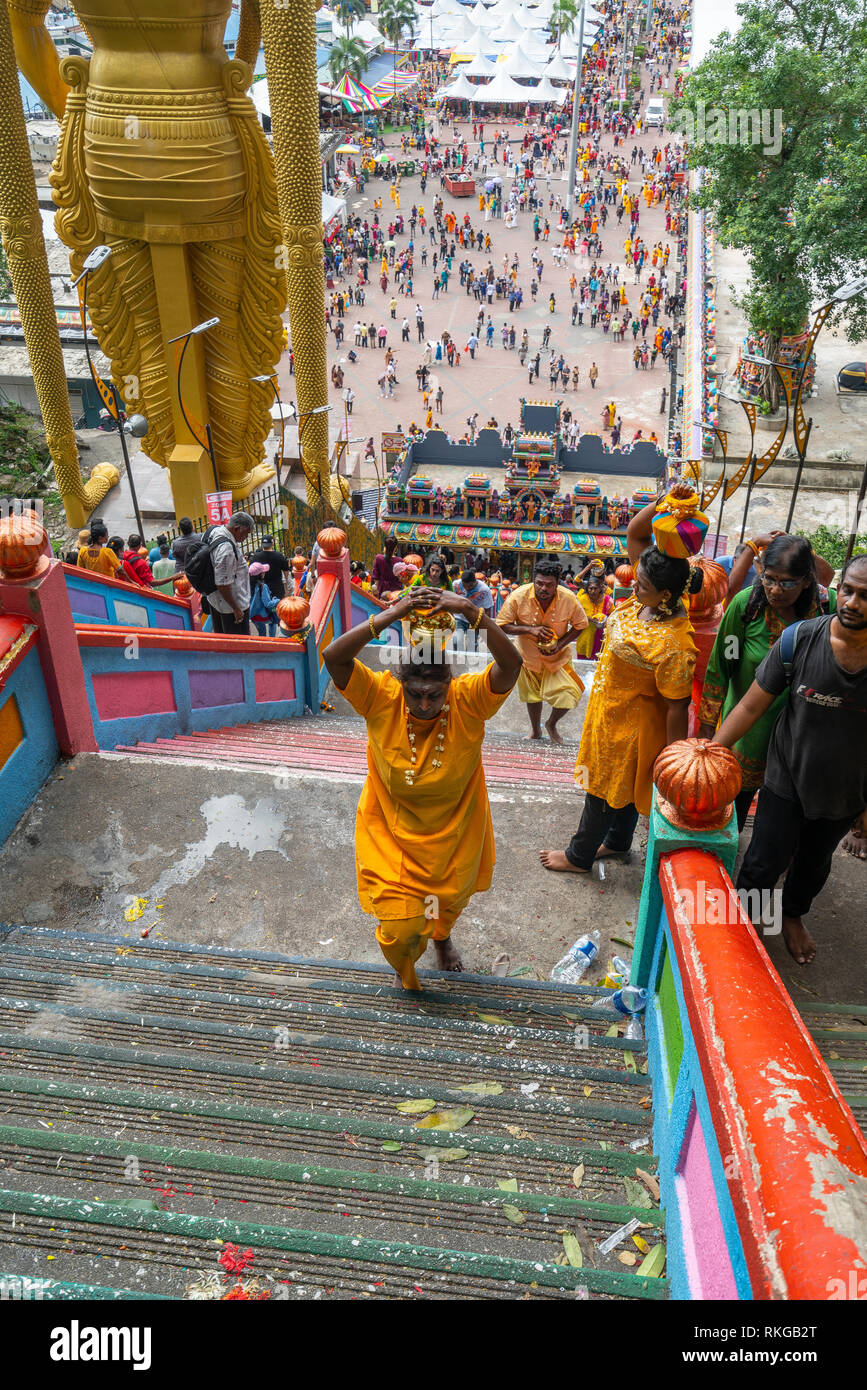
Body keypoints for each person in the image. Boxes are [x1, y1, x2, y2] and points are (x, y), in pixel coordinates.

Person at [322, 586, 522, 991]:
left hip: (454, 833)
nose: (426, 704)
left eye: (435, 694)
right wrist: (390, 615)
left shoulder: (469, 700)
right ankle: (405, 962)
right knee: (399, 928)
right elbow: (333, 657)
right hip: (391, 835)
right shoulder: (380, 696)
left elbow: (512, 665)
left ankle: (442, 937)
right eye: (416, 694)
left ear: (451, 682)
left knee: (445, 903)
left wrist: (471, 610)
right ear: (401, 682)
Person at [712, 555, 867, 964]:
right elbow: (749, 706)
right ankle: (747, 927)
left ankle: (793, 916)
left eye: (866, 596)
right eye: (848, 590)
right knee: (763, 861)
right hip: (786, 780)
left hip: (846, 792)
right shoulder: (798, 639)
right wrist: (712, 750)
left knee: (814, 865)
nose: (852, 602)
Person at [539, 486, 699, 874]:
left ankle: (579, 856)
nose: (630, 587)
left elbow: (678, 706)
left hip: (634, 727)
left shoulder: (675, 642)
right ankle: (616, 842)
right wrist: (665, 502)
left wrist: (674, 761)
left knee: (601, 790)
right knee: (621, 789)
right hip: (607, 710)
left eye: (640, 585)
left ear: (665, 595)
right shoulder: (643, 600)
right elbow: (635, 533)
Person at [698, 534, 837, 829]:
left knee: (782, 819)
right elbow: (723, 663)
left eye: (787, 583)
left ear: (807, 581)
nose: (775, 590)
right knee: (732, 808)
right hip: (747, 732)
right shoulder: (745, 608)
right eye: (769, 579)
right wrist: (708, 728)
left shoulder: (827, 608)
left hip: (800, 734)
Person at [497, 557, 588, 743]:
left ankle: (551, 724)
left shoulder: (569, 598)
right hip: (527, 656)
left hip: (558, 658)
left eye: (549, 585)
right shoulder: (518, 596)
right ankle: (535, 730)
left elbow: (581, 625)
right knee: (532, 697)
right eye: (539, 583)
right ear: (533, 581)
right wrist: (530, 630)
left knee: (570, 694)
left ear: (557, 584)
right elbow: (502, 625)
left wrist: (560, 645)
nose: (543, 588)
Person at [205, 511, 254, 635]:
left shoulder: (214, 530)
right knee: (239, 645)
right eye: (246, 533)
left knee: (222, 637)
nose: (246, 537)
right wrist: (236, 609)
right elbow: (222, 584)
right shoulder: (226, 550)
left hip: (216, 601)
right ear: (237, 529)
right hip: (230, 607)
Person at [575, 574, 613, 660]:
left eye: (595, 588)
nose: (593, 591)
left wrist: (606, 620)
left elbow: (613, 615)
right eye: (590, 588)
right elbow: (575, 615)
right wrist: (589, 618)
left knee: (598, 661)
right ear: (587, 590)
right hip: (584, 635)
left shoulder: (607, 600)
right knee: (583, 663)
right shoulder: (582, 599)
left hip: (601, 637)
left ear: (600, 589)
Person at [454, 567, 494, 648]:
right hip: (459, 618)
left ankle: (472, 660)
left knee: (471, 644)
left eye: (470, 586)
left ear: (475, 581)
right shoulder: (456, 584)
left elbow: (488, 609)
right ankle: (456, 659)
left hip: (474, 620)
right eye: (465, 586)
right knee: (457, 641)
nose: (467, 589)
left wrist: (485, 627)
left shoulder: (484, 589)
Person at [248, 535, 290, 602]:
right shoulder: (279, 555)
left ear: (262, 544)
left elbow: (250, 572)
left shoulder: (255, 556)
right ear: (272, 543)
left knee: (263, 609)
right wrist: (286, 583)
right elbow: (286, 571)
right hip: (277, 587)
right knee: (277, 607)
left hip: (261, 587)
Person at [248, 561, 280, 637]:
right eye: (263, 572)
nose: (264, 573)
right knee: (273, 620)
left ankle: (262, 645)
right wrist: (278, 600)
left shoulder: (247, 585)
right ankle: (272, 640)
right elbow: (268, 604)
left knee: (261, 633)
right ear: (260, 574)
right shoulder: (262, 586)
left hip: (253, 615)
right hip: (263, 616)